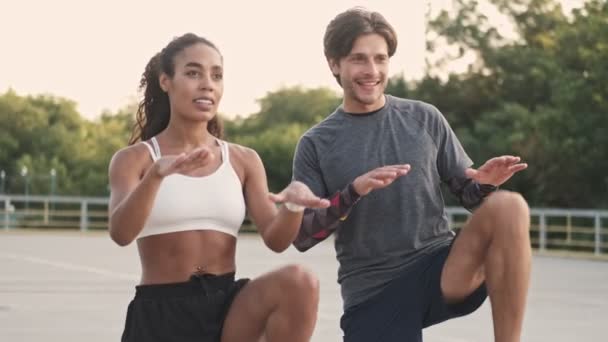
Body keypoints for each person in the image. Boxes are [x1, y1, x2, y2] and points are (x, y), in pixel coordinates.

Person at [291, 8, 531, 342]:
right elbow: (302, 235)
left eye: (381, 58)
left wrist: (485, 184)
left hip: (440, 268)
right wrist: (353, 191)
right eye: (359, 59)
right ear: (334, 63)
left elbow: (467, 193)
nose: (371, 71)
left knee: (510, 206)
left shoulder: (424, 118)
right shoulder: (316, 144)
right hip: (374, 290)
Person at [108, 33, 329, 342]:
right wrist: (155, 177)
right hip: (162, 313)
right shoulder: (135, 160)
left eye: (216, 75)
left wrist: (293, 206)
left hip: (228, 308)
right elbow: (120, 233)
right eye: (193, 72)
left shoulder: (243, 160)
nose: (207, 84)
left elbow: (276, 239)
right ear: (165, 81)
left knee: (300, 281)